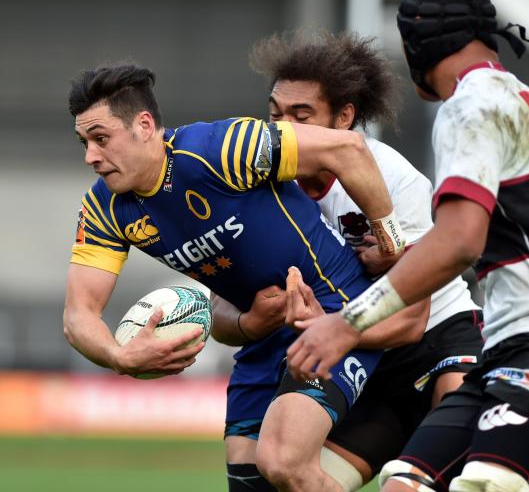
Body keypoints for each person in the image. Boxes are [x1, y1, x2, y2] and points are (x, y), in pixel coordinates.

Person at [286, 0, 529, 492]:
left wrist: (346, 326)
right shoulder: (511, 92)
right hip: (512, 343)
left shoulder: (471, 104)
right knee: (406, 483)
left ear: (416, 45)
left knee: (486, 485)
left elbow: (459, 240)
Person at [62, 63, 406, 489]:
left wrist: (391, 238)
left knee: (282, 461)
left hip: (333, 310)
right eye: (84, 143)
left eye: (101, 139)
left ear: (145, 125)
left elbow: (349, 149)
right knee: (248, 479)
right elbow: (79, 315)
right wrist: (120, 357)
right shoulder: (104, 210)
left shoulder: (221, 147)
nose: (90, 156)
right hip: (262, 341)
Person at [211, 31, 482, 491]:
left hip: (439, 339)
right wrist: (251, 321)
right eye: (275, 115)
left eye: (302, 116)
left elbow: (412, 322)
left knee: (473, 480)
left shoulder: (392, 178)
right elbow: (221, 317)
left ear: (344, 118)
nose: (283, 130)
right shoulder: (256, 188)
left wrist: (333, 324)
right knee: (294, 478)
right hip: (364, 363)